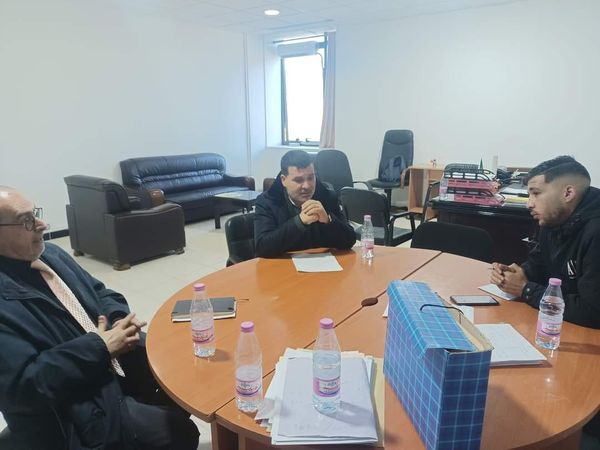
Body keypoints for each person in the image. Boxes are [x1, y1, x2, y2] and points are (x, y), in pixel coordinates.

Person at [0, 187, 199, 450]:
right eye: (26, 220)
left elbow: (100, 291)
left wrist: (117, 321)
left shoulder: (51, 255)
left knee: (186, 368)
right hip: (72, 407)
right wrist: (100, 346)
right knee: (179, 432)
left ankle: (141, 409)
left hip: (103, 364)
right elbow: (23, 389)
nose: (42, 224)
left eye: (35, 213)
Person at [490, 155, 600, 328]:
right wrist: (517, 274)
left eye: (536, 193)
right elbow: (539, 264)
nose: (529, 204)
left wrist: (526, 290)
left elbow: (593, 311)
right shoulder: (553, 220)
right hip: (559, 324)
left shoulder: (595, 231)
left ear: (568, 193)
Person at [255, 150, 357, 257]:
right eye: (298, 180)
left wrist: (328, 221)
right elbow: (262, 248)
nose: (307, 186)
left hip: (322, 263)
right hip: (283, 264)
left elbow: (349, 241)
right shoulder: (268, 201)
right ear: (283, 180)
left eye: (311, 178)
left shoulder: (327, 197)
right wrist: (299, 222)